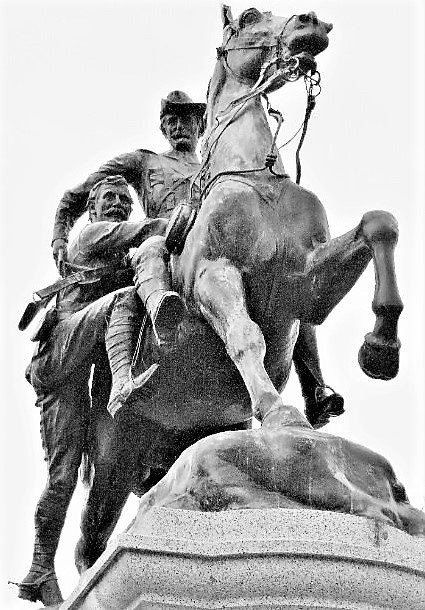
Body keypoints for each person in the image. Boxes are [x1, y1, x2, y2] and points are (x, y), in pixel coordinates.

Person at [51, 90, 343, 424]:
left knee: (287, 274)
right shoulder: (143, 162)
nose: (178, 127)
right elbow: (77, 194)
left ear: (199, 125)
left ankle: (315, 388)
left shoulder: (214, 166)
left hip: (218, 248)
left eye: (185, 120)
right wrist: (60, 236)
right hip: (171, 249)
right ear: (163, 128)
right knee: (150, 248)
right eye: (170, 121)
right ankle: (161, 306)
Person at [17, 175, 171, 605]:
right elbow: (148, 230)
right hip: (60, 355)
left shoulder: (120, 252)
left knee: (79, 472)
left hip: (79, 371)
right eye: (110, 198)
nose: (120, 204)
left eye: (125, 198)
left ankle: (45, 568)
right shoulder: (91, 235)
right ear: (94, 209)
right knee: (123, 301)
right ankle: (123, 379)